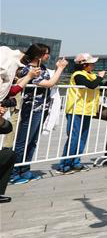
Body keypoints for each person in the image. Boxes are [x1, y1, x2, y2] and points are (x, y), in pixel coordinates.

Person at [10, 45, 68, 183]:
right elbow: (49, 83)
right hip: (31, 108)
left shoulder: (41, 69)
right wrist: (60, 68)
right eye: (47, 53)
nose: (48, 56)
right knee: (23, 141)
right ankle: (13, 172)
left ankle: (24, 169)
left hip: (42, 108)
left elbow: (53, 82)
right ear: (39, 55)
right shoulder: (28, 69)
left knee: (33, 141)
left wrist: (58, 70)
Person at [54, 53, 106, 175]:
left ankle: (76, 161)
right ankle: (65, 164)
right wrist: (100, 77)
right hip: (76, 110)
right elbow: (91, 85)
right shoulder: (78, 75)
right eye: (91, 63)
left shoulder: (91, 75)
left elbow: (101, 85)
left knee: (82, 137)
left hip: (87, 110)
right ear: (84, 64)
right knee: (74, 137)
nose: (93, 65)